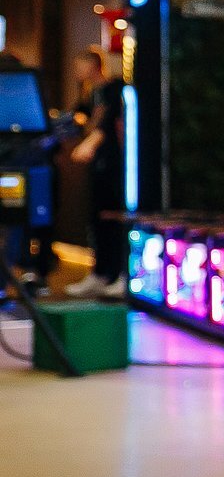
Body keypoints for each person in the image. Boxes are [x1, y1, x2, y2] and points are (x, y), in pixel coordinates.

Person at [66, 46, 126, 299]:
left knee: (113, 218)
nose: (76, 70)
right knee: (97, 219)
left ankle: (119, 273)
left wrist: (90, 143)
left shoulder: (114, 89)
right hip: (98, 166)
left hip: (114, 165)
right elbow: (79, 116)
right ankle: (100, 274)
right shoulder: (90, 93)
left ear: (92, 64)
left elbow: (107, 124)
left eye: (80, 64)